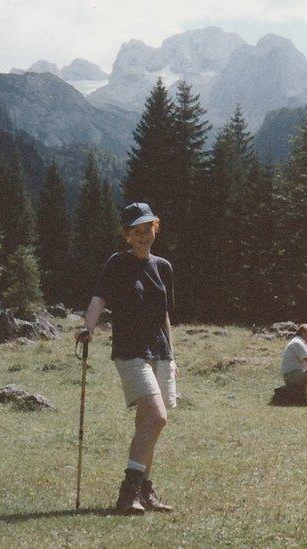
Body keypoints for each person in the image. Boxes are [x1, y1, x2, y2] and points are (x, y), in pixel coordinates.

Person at [76, 202, 177, 515]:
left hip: (160, 352)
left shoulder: (163, 267)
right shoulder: (117, 264)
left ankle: (144, 491)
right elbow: (99, 297)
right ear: (127, 236)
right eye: (137, 230)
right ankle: (127, 494)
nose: (145, 235)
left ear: (155, 229)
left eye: (149, 228)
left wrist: (172, 356)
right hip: (130, 351)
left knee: (148, 423)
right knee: (157, 417)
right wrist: (87, 327)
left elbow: (165, 316)